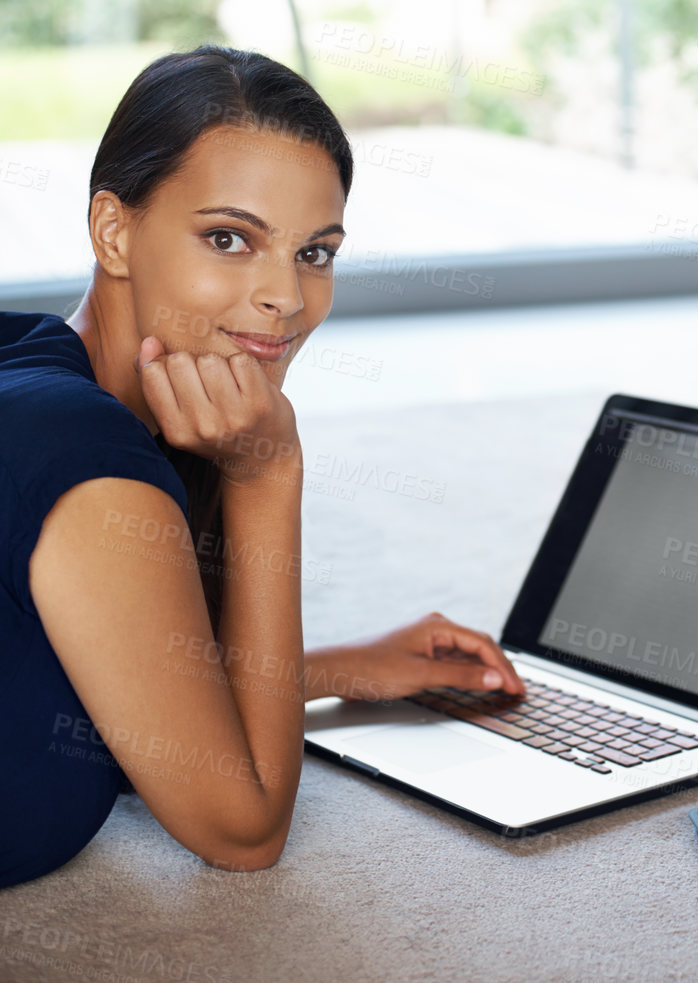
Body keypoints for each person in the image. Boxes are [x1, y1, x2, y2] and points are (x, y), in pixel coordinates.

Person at [0, 45, 524, 889]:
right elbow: (242, 828)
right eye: (229, 238)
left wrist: (335, 668)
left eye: (314, 252)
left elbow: (105, 679)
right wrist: (266, 474)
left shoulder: (31, 360)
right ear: (113, 229)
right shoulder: (86, 462)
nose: (286, 295)